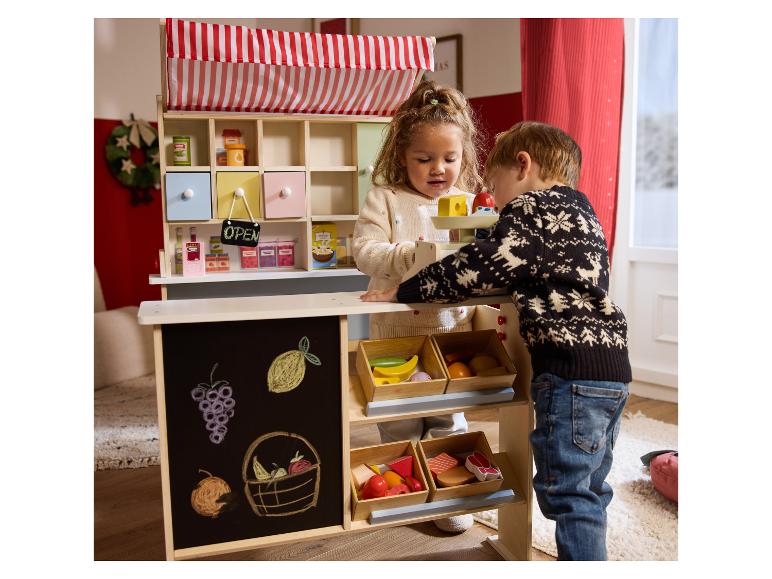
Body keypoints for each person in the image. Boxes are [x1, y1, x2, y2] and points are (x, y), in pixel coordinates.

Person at [360, 120, 632, 560]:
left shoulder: (528, 211)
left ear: (522, 166)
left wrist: (405, 290)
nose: (494, 197)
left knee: (567, 496)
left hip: (568, 373)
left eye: (495, 183)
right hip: (613, 370)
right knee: (590, 488)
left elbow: (475, 266)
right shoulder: (584, 213)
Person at [352, 79, 482, 533]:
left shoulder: (465, 204)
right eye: (423, 159)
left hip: (450, 333)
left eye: (450, 158)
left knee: (448, 418)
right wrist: (412, 255)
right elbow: (365, 250)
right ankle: (402, 487)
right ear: (401, 158)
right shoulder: (385, 198)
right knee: (400, 419)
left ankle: (447, 490)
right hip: (396, 335)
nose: (438, 169)